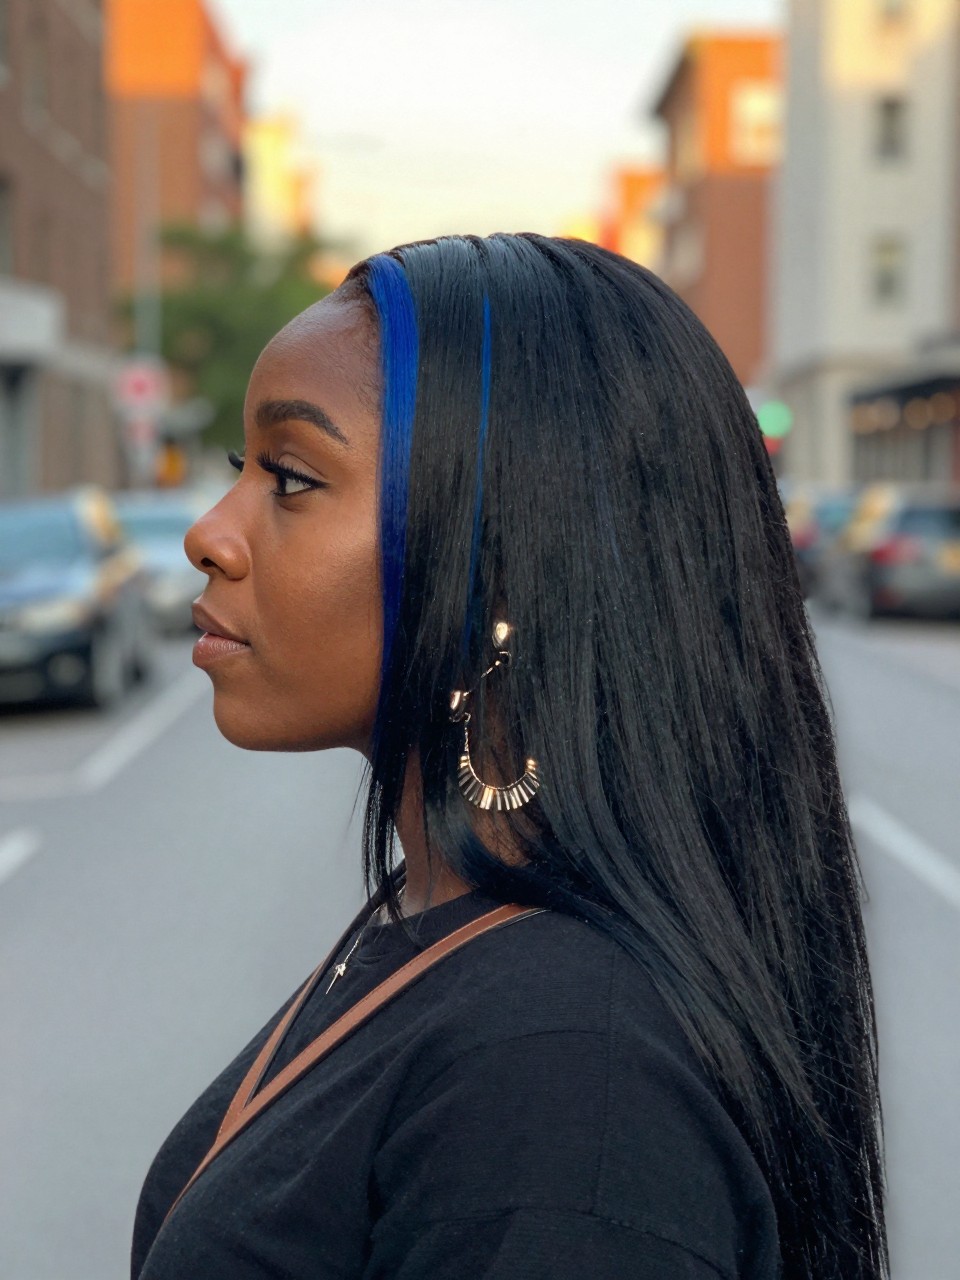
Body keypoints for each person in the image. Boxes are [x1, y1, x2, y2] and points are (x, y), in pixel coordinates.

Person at [133, 234, 889, 1279]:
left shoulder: (570, 1078)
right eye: (240, 469)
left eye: (291, 477)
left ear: (503, 569)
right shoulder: (451, 921)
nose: (211, 534)